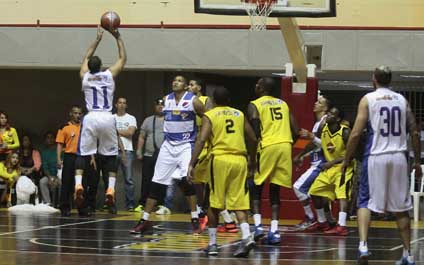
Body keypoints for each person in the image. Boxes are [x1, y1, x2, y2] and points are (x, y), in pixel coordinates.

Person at [341, 66, 422, 265]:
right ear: (390, 79)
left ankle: (363, 246)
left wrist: (346, 160)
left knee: (365, 201)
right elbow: (414, 131)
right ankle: (408, 255)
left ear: (374, 79)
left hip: (376, 156)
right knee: (401, 208)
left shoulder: (368, 99)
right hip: (398, 158)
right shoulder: (402, 100)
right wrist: (418, 161)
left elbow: (356, 134)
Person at [130, 75, 206, 235]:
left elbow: (207, 117)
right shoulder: (166, 99)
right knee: (157, 183)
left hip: (186, 145)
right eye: (174, 80)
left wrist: (202, 136)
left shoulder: (193, 101)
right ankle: (144, 220)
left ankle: (195, 218)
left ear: (185, 86)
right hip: (168, 145)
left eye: (179, 81)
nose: (175, 82)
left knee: (186, 181)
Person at [188, 86, 257, 257]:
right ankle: (247, 236)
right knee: (239, 202)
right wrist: (252, 160)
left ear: (213, 100)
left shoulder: (209, 115)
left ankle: (212, 244)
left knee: (213, 202)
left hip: (219, 159)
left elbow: (202, 139)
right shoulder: (239, 114)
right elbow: (253, 138)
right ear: (228, 100)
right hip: (239, 160)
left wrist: (192, 163)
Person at [74, 25, 126, 212]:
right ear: (102, 65)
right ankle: (110, 189)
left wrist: (97, 40)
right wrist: (117, 36)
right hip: (107, 117)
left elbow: (85, 57)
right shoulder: (109, 75)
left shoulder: (85, 77)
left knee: (83, 153)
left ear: (89, 67)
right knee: (111, 155)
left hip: (91, 117)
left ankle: (78, 183)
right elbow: (122, 58)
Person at [247, 77, 298, 245]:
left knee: (256, 186)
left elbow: (254, 134)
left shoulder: (255, 104)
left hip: (268, 145)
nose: (255, 85)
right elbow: (296, 130)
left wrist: (253, 158)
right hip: (285, 145)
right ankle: (274, 231)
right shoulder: (283, 104)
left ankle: (258, 227)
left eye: (257, 84)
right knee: (275, 189)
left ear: (261, 88)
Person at [308, 106, 354, 236]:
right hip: (329, 168)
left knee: (342, 195)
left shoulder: (345, 132)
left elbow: (352, 155)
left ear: (338, 119)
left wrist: (332, 162)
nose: (328, 115)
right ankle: (323, 222)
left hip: (344, 167)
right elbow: (314, 143)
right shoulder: (324, 128)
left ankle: (342, 225)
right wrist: (300, 155)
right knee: (315, 192)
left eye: (331, 114)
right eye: (328, 113)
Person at [292, 95, 332, 230]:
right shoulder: (318, 122)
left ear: (325, 108)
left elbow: (326, 145)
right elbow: (315, 144)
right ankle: (326, 220)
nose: (315, 103)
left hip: (321, 163)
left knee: (298, 187)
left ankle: (311, 218)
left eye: (319, 102)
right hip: (316, 161)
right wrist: (303, 155)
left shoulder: (325, 122)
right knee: (318, 194)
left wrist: (311, 137)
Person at [188, 78, 213, 229]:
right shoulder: (186, 100)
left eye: (192, 84)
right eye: (189, 85)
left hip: (204, 141)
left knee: (203, 178)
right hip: (192, 140)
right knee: (194, 178)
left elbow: (209, 118)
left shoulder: (205, 100)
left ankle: (205, 206)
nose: (190, 87)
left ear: (199, 87)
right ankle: (200, 205)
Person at [135, 98, 165, 212]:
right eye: (158, 105)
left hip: (163, 156)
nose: (160, 107)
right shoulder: (148, 120)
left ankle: (161, 204)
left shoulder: (169, 120)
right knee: (146, 180)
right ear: (155, 107)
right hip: (148, 154)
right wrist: (138, 150)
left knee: (161, 181)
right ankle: (142, 203)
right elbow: (142, 136)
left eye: (162, 105)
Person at [56, 105, 82, 216]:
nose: (78, 115)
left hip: (81, 157)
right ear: (71, 114)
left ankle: (82, 208)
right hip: (69, 157)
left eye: (80, 113)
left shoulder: (84, 126)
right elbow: (59, 144)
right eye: (75, 113)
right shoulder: (64, 127)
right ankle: (65, 207)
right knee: (67, 182)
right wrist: (58, 159)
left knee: (81, 184)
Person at [114, 97, 137, 211]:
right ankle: (110, 204)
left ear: (126, 105)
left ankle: (130, 205)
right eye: (120, 103)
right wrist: (123, 132)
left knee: (128, 179)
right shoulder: (111, 118)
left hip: (127, 151)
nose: (122, 105)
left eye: (124, 103)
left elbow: (130, 132)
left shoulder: (131, 118)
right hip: (112, 151)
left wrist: (115, 131)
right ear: (116, 105)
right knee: (110, 179)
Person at [19, 134, 42, 204]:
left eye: (27, 140)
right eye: (24, 140)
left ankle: (31, 202)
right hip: (20, 173)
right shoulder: (18, 152)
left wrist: (30, 170)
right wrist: (21, 169)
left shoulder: (35, 152)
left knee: (31, 181)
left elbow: (38, 164)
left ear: (30, 142)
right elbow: (15, 163)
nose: (25, 142)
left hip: (32, 174)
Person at [40, 131, 61, 206]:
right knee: (42, 182)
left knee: (62, 182)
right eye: (48, 138)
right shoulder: (44, 152)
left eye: (52, 137)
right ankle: (47, 203)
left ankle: (60, 203)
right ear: (45, 140)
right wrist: (50, 178)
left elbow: (61, 165)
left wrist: (56, 177)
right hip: (49, 176)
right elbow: (45, 166)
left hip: (59, 175)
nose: (50, 139)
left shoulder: (60, 151)